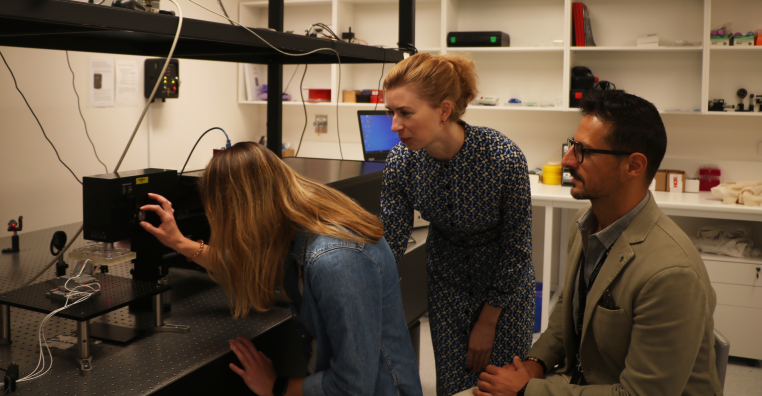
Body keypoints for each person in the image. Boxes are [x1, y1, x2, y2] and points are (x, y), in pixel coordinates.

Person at [474, 91, 722, 396]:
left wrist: (527, 391)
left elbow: (638, 394)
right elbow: (569, 308)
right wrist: (536, 363)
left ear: (633, 166)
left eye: (584, 151)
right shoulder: (585, 222)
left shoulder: (671, 274)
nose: (566, 159)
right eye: (572, 145)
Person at [139, 142, 422, 396]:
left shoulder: (336, 259)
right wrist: (178, 242)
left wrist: (276, 386)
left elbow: (353, 387)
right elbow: (244, 264)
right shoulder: (300, 223)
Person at [380, 53, 535, 396]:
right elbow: (390, 240)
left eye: (405, 113)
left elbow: (517, 247)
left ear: (444, 110)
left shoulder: (502, 157)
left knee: (500, 387)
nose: (394, 125)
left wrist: (488, 320)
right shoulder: (401, 162)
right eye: (391, 112)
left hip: (504, 290)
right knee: (452, 387)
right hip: (446, 286)